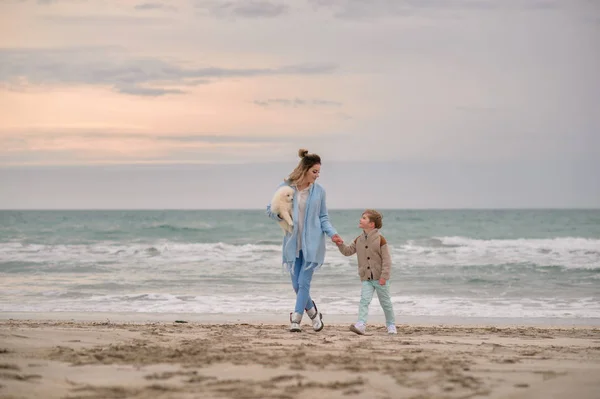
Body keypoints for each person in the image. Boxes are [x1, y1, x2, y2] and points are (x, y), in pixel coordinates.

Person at [266, 148, 342, 332]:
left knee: (304, 283)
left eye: (319, 172)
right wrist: (280, 217)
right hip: (293, 243)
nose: (317, 175)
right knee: (296, 285)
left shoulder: (319, 192)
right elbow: (271, 209)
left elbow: (323, 217)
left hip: (313, 244)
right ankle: (315, 315)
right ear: (305, 169)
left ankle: (296, 319)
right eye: (314, 171)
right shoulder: (286, 187)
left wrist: (333, 234)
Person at [336, 209, 397, 335]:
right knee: (364, 300)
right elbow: (347, 251)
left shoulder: (381, 240)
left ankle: (391, 325)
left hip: (380, 278)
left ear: (371, 224)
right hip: (366, 278)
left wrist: (384, 276)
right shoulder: (359, 239)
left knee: (385, 303)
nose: (360, 219)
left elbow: (387, 260)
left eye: (364, 218)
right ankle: (361, 324)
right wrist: (340, 244)